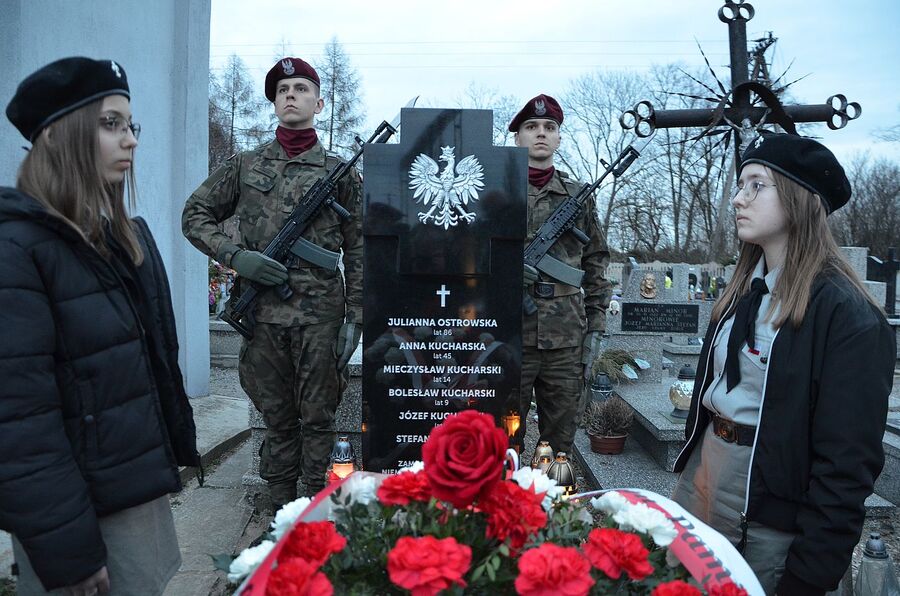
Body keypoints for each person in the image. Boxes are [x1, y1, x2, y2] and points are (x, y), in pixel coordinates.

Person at [1, 57, 200, 594]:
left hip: (134, 499)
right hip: (77, 519)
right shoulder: (17, 251)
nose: (130, 140)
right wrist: (69, 551)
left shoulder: (117, 240)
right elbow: (20, 426)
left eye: (131, 125)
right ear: (59, 136)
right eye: (110, 124)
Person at [671, 132, 895, 595]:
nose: (738, 199)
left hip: (769, 507)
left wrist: (810, 574)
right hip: (706, 474)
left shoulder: (847, 316)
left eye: (757, 185)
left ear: (798, 200)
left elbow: (846, 465)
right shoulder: (741, 293)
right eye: (739, 185)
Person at [182, 57, 362, 507]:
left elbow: (360, 248)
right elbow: (194, 216)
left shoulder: (340, 173)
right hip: (262, 311)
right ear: (274, 103)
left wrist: (355, 317)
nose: (290, 95)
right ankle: (281, 511)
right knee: (278, 416)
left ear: (319, 103)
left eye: (301, 88)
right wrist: (238, 257)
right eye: (282, 90)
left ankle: (316, 511)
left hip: (321, 313)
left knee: (319, 416)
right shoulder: (244, 165)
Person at [510, 94, 612, 458]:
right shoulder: (497, 190)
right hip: (510, 333)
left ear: (558, 139)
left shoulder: (578, 197)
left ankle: (556, 511)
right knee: (502, 438)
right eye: (532, 127)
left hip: (566, 337)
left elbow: (596, 261)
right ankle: (501, 509)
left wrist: (596, 328)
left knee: (559, 441)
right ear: (517, 137)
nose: (541, 134)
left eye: (549, 128)